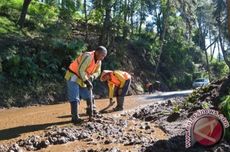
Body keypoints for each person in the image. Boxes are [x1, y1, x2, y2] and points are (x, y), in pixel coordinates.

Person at [65, 46, 107, 123]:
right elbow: (80, 70)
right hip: (73, 76)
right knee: (74, 97)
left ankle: (91, 111)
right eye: (102, 55)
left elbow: (98, 72)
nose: (103, 58)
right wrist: (87, 81)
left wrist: (92, 77)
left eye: (104, 56)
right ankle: (75, 118)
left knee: (88, 95)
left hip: (83, 78)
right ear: (97, 52)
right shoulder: (88, 56)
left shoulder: (99, 61)